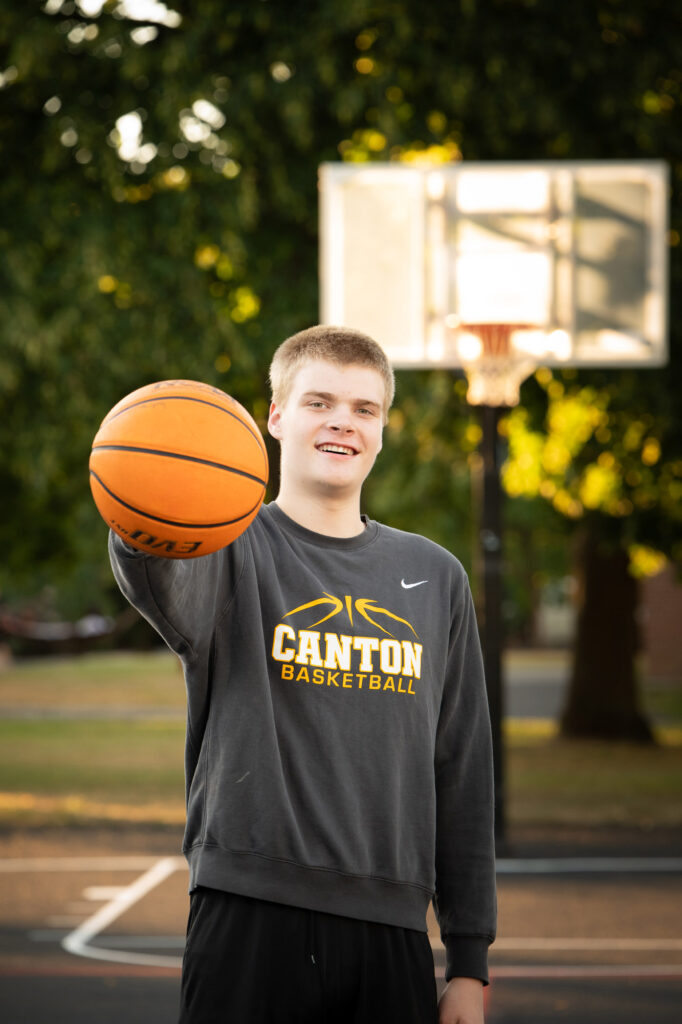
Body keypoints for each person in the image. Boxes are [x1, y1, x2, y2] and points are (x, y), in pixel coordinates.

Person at [109, 325, 496, 1024]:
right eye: (319, 403)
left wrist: (469, 959)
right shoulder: (223, 548)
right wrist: (141, 500)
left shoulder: (436, 576)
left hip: (390, 924)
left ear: (381, 430)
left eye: (364, 409)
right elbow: (153, 568)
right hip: (249, 912)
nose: (343, 422)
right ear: (276, 418)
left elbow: (461, 770)